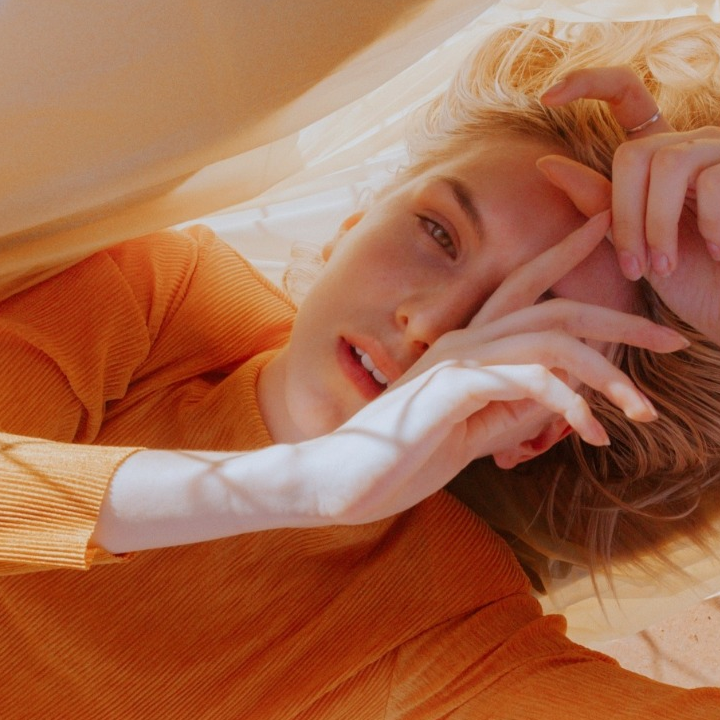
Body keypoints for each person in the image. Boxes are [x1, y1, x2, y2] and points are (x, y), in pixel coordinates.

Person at [1, 14, 720, 719]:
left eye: (526, 326)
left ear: (538, 432)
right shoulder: (157, 292)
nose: (431, 324)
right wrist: (299, 484)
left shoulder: (450, 632)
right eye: (438, 233)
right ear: (354, 223)